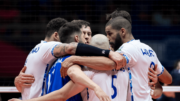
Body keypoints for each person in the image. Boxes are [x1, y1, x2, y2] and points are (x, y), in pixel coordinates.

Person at [14, 17, 124, 100]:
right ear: (57, 35)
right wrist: (108, 53)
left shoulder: (45, 57)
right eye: (83, 34)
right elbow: (64, 92)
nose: (87, 38)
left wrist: (17, 82)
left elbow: (27, 84)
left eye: (89, 34)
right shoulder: (67, 59)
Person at [104, 16, 172, 101]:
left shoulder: (126, 49)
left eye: (110, 33)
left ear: (122, 31)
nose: (107, 38)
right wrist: (156, 81)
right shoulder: (148, 49)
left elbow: (106, 64)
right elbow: (168, 79)